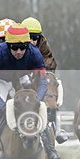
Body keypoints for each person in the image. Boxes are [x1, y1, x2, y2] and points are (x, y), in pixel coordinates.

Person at [0, 25, 60, 159]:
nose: (19, 52)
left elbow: (42, 83)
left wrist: (37, 100)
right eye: (15, 48)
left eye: (22, 47)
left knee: (36, 111)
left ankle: (50, 149)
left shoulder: (34, 53)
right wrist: (2, 106)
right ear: (8, 45)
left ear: (28, 46)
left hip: (20, 78)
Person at [22, 16, 68, 145]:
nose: (32, 41)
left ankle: (57, 128)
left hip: (39, 74)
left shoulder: (43, 44)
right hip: (20, 75)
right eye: (29, 37)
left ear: (40, 37)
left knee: (57, 83)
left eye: (35, 37)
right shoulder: (17, 44)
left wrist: (42, 72)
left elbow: (49, 61)